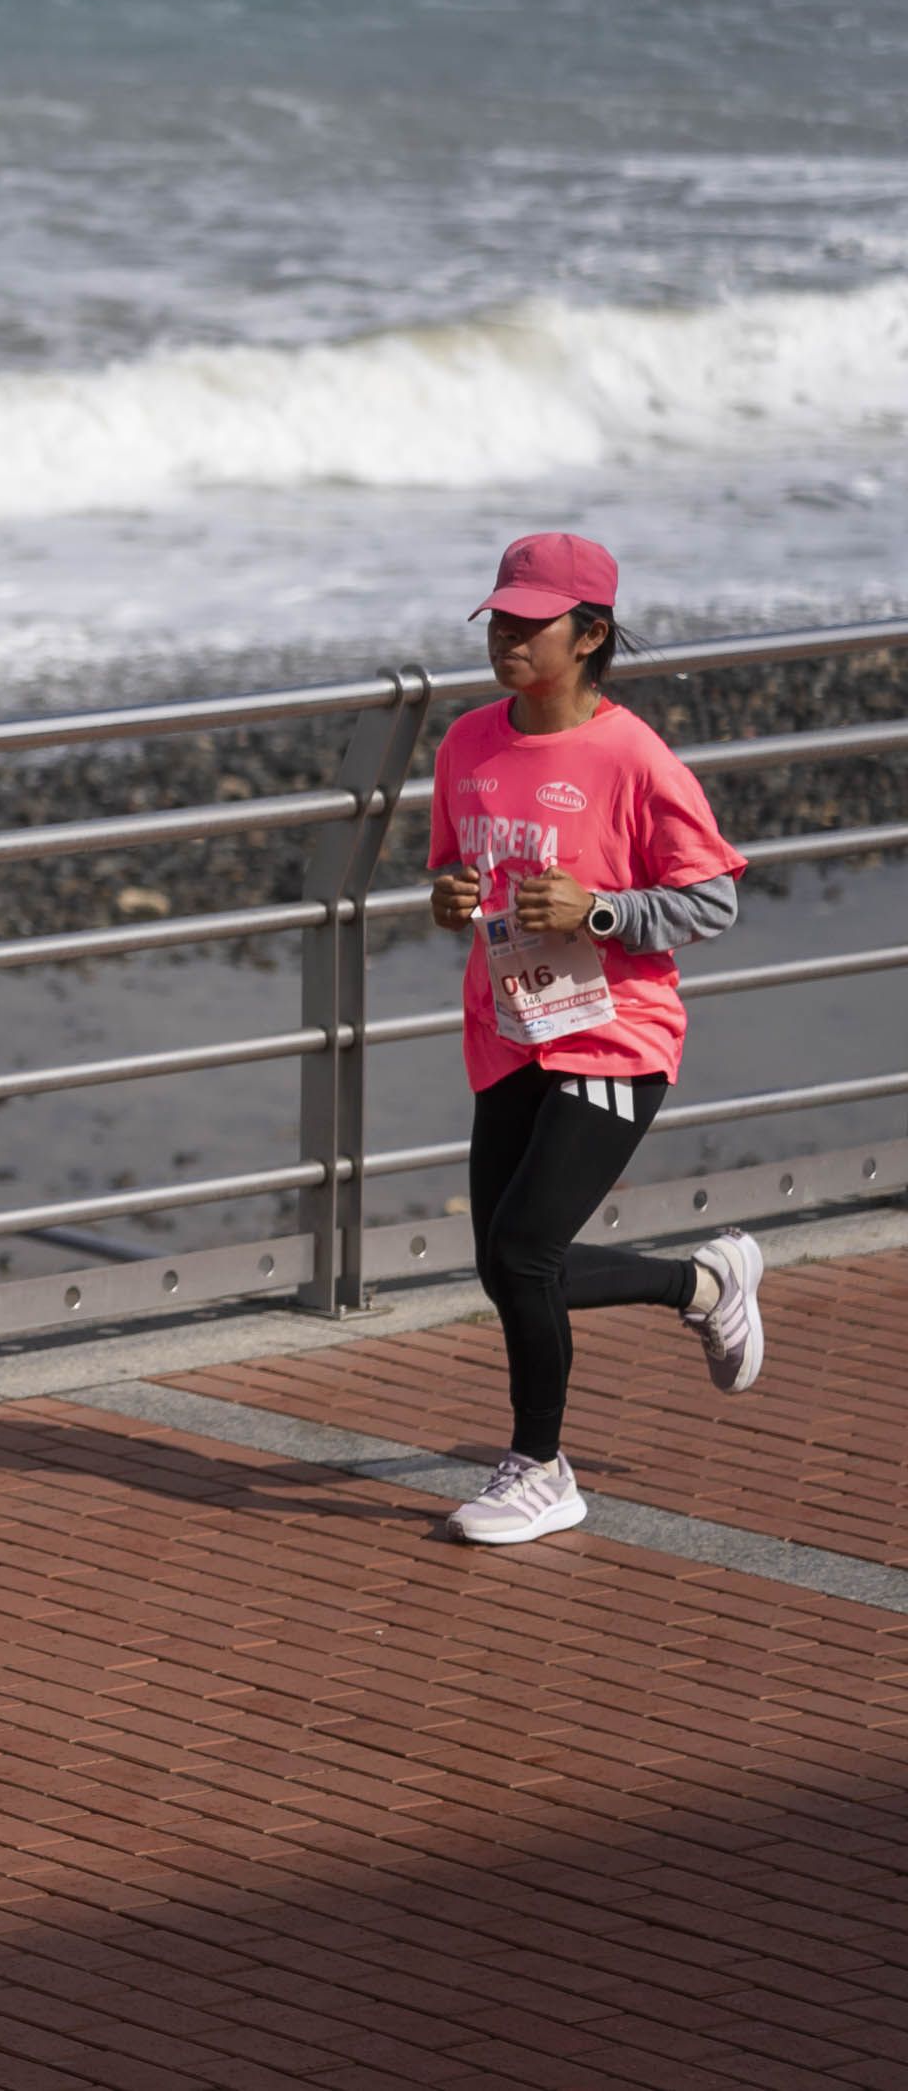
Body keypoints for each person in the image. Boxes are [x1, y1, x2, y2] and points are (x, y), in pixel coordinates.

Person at [423, 533, 763, 1546]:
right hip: (507, 1032)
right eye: (501, 621)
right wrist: (444, 900)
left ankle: (540, 1468)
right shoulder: (466, 745)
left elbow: (710, 902)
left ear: (590, 634)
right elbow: (454, 872)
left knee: (526, 1252)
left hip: (615, 1038)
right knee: (505, 1264)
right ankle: (706, 1285)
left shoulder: (632, 756)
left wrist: (601, 913)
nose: (509, 641)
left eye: (533, 624)